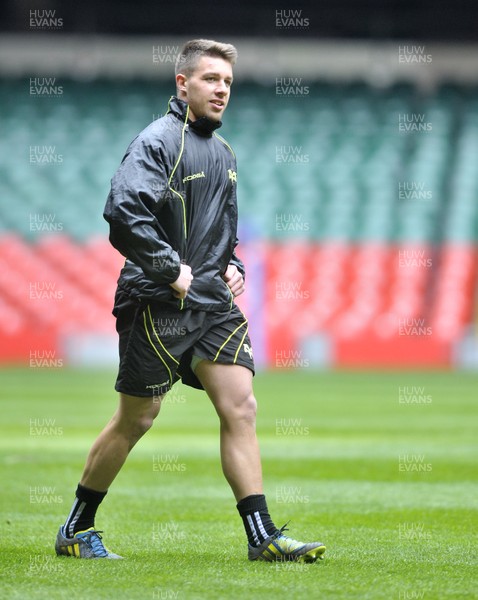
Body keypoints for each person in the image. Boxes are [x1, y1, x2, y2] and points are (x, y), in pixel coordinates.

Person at [54, 39, 325, 563]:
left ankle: (262, 537)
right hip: (156, 299)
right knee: (138, 418)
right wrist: (169, 270)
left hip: (210, 302)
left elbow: (225, 233)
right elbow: (123, 212)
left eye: (227, 81)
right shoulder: (157, 142)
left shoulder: (224, 154)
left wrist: (233, 266)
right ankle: (77, 527)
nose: (221, 89)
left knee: (241, 406)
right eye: (210, 79)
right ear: (183, 84)